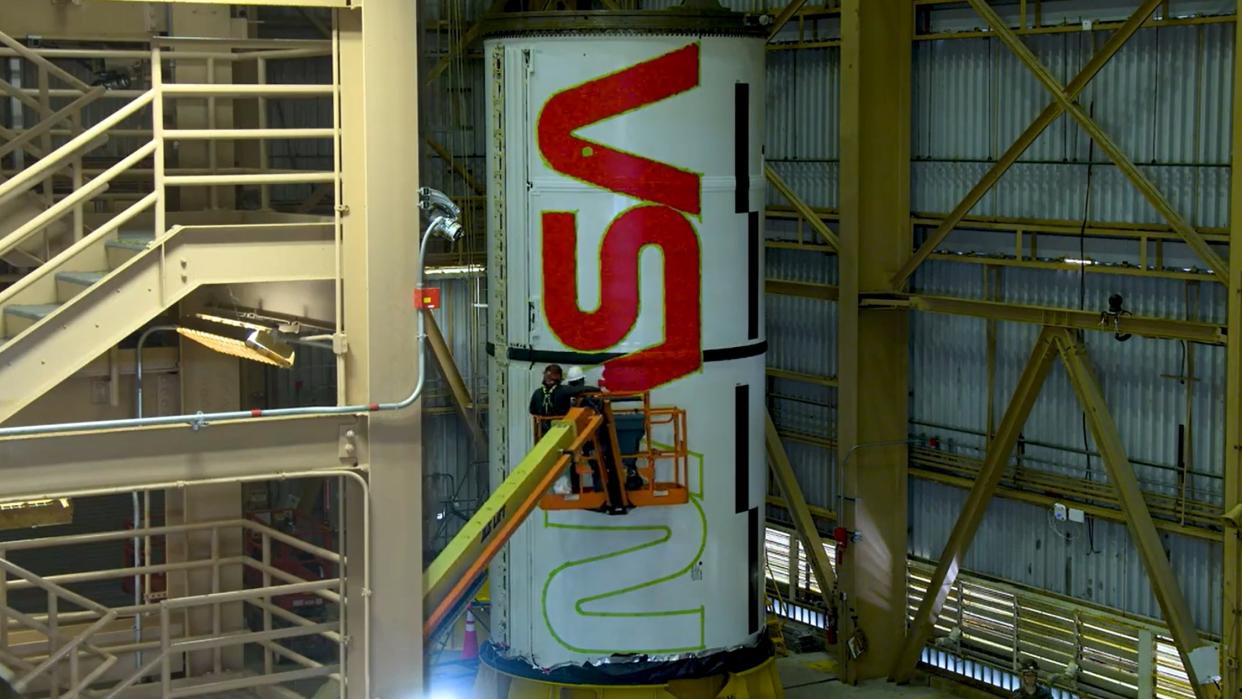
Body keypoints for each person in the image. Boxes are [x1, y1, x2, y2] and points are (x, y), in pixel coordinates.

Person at [529, 364, 570, 439]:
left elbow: (532, 410)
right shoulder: (564, 391)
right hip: (559, 432)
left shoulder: (537, 392)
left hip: (542, 432)